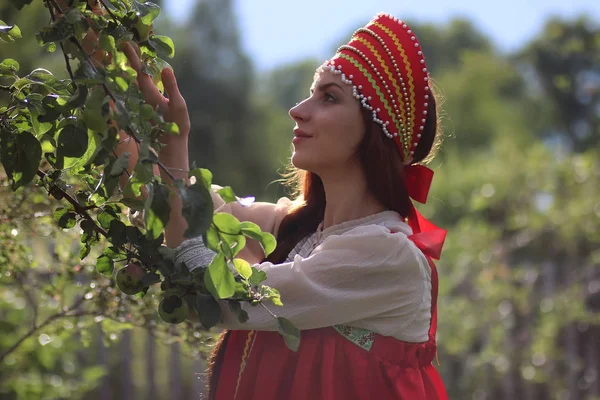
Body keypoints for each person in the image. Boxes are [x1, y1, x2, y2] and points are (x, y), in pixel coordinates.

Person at [122, 12, 448, 400]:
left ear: (376, 130)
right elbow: (190, 211)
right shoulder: (298, 230)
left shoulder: (389, 256)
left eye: (328, 97)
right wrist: (109, 82)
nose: (298, 109)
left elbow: (219, 298)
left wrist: (175, 145)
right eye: (312, 93)